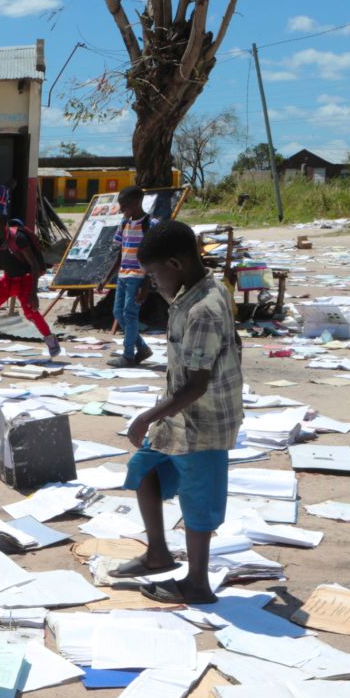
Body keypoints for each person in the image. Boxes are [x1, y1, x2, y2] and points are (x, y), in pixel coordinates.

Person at [108, 220, 242, 605]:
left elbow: (197, 385)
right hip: (178, 417)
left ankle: (198, 583)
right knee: (144, 470)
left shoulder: (204, 309)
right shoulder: (196, 291)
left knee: (199, 503)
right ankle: (157, 554)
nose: (151, 281)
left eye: (153, 273)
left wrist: (147, 416)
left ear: (175, 263)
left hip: (203, 422)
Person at [0, 207, 61, 362]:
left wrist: (33, 294)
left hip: (25, 280)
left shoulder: (18, 238)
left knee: (30, 313)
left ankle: (50, 340)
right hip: (8, 280)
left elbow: (34, 265)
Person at [100, 186, 157, 367]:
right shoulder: (124, 224)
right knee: (118, 312)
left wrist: (145, 286)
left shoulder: (150, 225)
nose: (122, 210)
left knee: (129, 314)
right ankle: (142, 348)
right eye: (121, 206)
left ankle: (128, 355)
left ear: (137, 203)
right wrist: (107, 277)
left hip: (138, 277)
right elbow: (120, 254)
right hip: (123, 275)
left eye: (125, 206)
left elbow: (152, 258)